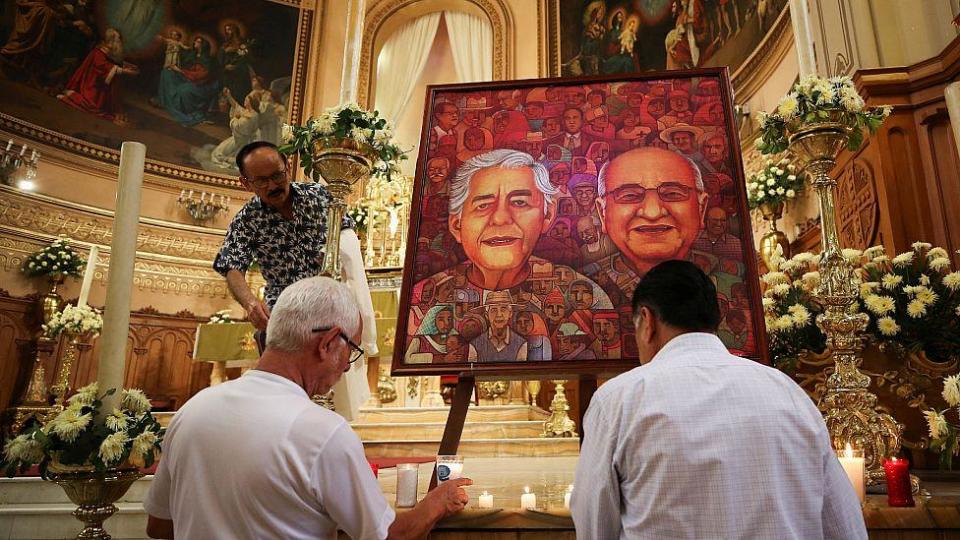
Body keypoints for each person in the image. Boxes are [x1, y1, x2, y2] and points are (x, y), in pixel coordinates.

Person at [144, 277, 472, 539]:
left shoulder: (192, 411)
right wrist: (437, 502)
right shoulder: (322, 433)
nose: (347, 367)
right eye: (352, 350)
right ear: (329, 343)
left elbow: (159, 527)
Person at [571, 261, 867, 539]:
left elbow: (594, 523)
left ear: (647, 321)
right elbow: (844, 525)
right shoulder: (786, 391)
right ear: (716, 319)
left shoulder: (619, 399)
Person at [589, 147, 709, 303]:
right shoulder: (584, 282)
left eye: (672, 193)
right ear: (602, 212)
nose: (652, 213)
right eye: (630, 195)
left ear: (701, 208)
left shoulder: (728, 276)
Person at [58, 28, 139, 123]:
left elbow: (112, 62)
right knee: (92, 107)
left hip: (98, 84)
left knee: (115, 79)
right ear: (111, 41)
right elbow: (103, 67)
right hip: (91, 86)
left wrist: (125, 65)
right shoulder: (99, 52)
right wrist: (124, 71)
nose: (120, 43)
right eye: (118, 40)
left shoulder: (108, 51)